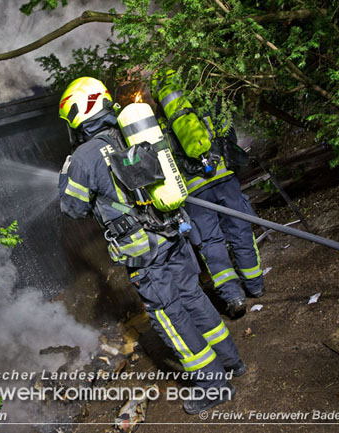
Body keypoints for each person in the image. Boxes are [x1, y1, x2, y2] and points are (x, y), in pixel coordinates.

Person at [57, 77, 244, 414]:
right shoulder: (131, 132)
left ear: (78, 112)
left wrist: (65, 174)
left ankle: (214, 385)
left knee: (169, 315)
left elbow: (73, 208)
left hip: (144, 254)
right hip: (174, 234)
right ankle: (231, 362)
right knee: (193, 297)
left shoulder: (84, 156)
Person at [152, 71, 265, 319]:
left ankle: (233, 297)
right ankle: (255, 285)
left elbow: (163, 161)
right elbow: (227, 131)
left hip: (194, 192)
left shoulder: (159, 124)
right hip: (223, 177)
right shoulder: (199, 102)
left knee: (210, 243)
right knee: (240, 228)